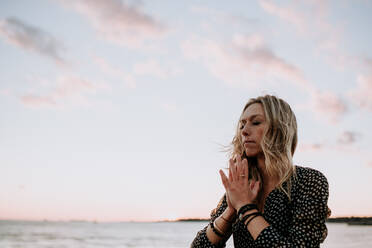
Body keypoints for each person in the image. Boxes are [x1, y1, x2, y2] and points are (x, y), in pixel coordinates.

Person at [191, 95, 330, 248]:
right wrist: (230, 211)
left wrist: (245, 208)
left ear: (280, 129)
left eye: (256, 122)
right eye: (242, 125)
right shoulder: (241, 187)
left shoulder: (309, 180)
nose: (244, 131)